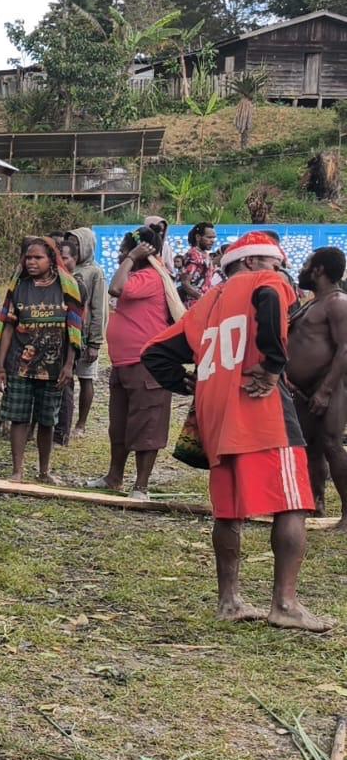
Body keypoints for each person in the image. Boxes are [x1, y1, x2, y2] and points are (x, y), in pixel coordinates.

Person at [142, 231, 333, 632]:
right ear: (250, 262)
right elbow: (269, 299)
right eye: (274, 262)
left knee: (228, 509)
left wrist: (190, 384)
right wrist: (273, 365)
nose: (281, 271)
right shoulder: (266, 283)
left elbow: (155, 353)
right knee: (293, 501)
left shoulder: (207, 302)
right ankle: (285, 603)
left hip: (216, 414)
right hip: (260, 407)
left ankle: (229, 600)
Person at [86, 230, 181, 498]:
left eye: (125, 250)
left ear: (143, 251)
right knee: (119, 425)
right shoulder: (139, 276)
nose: (119, 255)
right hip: (124, 364)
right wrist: (130, 260)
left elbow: (116, 288)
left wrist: (130, 258)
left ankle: (141, 486)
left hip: (147, 364)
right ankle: (113, 477)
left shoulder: (150, 277)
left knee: (147, 425)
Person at [0, 237, 82, 484]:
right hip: (20, 364)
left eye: (37, 257)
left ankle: (44, 471)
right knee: (19, 417)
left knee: (47, 419)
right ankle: (17, 471)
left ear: (51, 260)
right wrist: (0, 365)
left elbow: (73, 328)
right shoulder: (19, 287)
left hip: (54, 366)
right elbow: (8, 327)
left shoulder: (68, 288)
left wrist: (68, 365)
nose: (31, 262)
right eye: (28, 257)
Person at [286, 247, 347, 529]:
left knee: (333, 445)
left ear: (319, 270)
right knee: (310, 448)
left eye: (307, 264)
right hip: (301, 389)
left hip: (329, 387)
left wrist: (325, 390)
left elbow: (345, 348)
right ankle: (316, 502)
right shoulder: (313, 302)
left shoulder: (337, 303)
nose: (303, 269)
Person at [66, 229, 107, 435]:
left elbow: (99, 308)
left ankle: (81, 423)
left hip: (86, 332)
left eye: (76, 243)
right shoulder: (64, 268)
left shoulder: (94, 272)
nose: (72, 247)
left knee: (85, 378)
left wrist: (95, 342)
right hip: (66, 332)